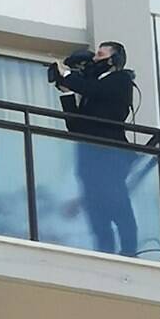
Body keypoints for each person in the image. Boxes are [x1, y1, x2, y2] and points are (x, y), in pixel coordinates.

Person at [52, 42, 139, 256]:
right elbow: (77, 126)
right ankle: (106, 254)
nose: (94, 59)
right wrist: (66, 93)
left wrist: (68, 75)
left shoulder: (120, 80)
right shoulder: (93, 89)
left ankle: (130, 252)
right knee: (97, 215)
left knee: (118, 206)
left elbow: (93, 89)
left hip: (110, 155)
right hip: (90, 161)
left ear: (113, 60)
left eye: (100, 54)